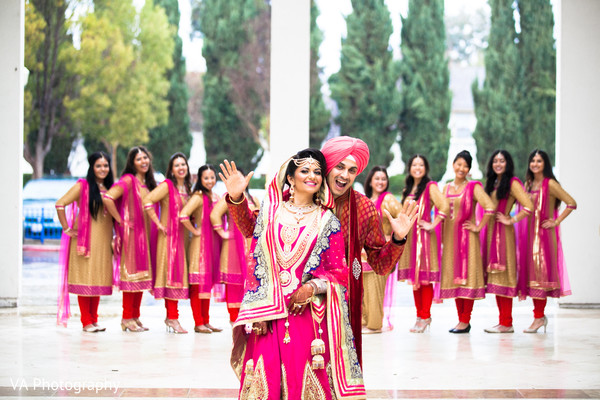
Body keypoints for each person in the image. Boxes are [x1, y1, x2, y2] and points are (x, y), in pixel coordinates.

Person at [220, 136, 417, 365]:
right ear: (329, 167)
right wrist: (236, 198)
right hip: (292, 299)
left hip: (341, 298)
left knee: (338, 366)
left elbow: (381, 265)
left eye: (352, 170)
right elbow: (254, 230)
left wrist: (398, 239)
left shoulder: (363, 208)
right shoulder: (294, 198)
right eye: (340, 167)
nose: (345, 175)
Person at [223, 149, 366, 400]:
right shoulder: (270, 213)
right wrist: (237, 198)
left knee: (302, 383)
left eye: (318, 172)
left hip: (306, 317)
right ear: (290, 177)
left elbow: (339, 274)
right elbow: (252, 241)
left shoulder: (327, 221)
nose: (312, 176)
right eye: (305, 170)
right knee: (265, 384)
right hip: (268, 314)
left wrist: (311, 289)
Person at [518, 149, 576, 333]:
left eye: (539, 161)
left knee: (540, 278)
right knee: (532, 277)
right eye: (532, 160)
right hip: (529, 237)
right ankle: (539, 317)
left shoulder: (549, 184)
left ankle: (538, 318)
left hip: (543, 238)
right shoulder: (528, 184)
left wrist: (556, 221)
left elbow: (571, 203)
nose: (535, 164)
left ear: (545, 164)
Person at [55, 152, 115, 332]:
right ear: (92, 167)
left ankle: (94, 319)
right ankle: (86, 321)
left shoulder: (111, 187)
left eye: (105, 165)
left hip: (103, 240)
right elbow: (60, 204)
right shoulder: (83, 186)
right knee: (86, 278)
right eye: (98, 166)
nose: (102, 169)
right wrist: (66, 228)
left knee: (97, 278)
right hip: (85, 240)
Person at [103, 146, 157, 332]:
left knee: (141, 277)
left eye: (145, 158)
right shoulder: (128, 180)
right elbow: (108, 198)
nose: (143, 162)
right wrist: (121, 220)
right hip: (132, 234)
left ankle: (135, 316)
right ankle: (126, 317)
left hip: (146, 234)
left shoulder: (149, 183)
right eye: (139, 159)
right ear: (132, 163)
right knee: (131, 275)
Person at [440, 150, 495, 333]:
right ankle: (461, 320)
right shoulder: (446, 188)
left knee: (467, 278)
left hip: (468, 240)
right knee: (456, 280)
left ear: (469, 169)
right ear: (453, 165)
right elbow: (440, 212)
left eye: (465, 165)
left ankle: (465, 320)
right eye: (459, 164)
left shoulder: (474, 187)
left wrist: (478, 227)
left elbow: (489, 207)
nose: (461, 168)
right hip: (450, 240)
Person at [481, 150, 533, 333]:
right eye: (495, 161)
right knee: (496, 279)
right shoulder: (493, 183)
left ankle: (507, 322)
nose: (498, 164)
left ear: (508, 163)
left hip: (503, 234)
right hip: (490, 233)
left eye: (502, 161)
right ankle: (503, 321)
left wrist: (511, 219)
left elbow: (528, 206)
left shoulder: (513, 182)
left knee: (504, 276)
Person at [397, 155, 449, 333]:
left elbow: (445, 206)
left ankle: (425, 316)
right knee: (415, 280)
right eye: (414, 164)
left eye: (421, 164)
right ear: (409, 168)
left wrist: (432, 224)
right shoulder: (409, 188)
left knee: (425, 279)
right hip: (410, 239)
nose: (417, 167)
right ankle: (419, 315)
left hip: (424, 239)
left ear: (426, 168)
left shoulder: (430, 187)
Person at [143, 152, 191, 334]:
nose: (181, 168)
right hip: (169, 239)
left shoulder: (187, 188)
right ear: (171, 169)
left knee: (178, 277)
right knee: (172, 278)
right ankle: (172, 318)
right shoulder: (167, 186)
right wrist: (158, 223)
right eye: (177, 165)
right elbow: (147, 201)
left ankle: (172, 317)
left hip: (183, 238)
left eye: (183, 165)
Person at [209, 169, 259, 325]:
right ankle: (234, 320)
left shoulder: (254, 198)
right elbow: (214, 215)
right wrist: (222, 233)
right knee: (234, 282)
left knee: (250, 280)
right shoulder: (227, 198)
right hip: (233, 245)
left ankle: (249, 317)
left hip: (251, 245)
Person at [179, 164, 223, 333]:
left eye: (212, 177)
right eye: (206, 178)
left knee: (207, 285)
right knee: (198, 285)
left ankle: (206, 321)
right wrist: (195, 230)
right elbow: (183, 215)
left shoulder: (215, 196)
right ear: (199, 179)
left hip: (212, 244)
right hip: (199, 246)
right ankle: (198, 322)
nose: (210, 181)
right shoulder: (198, 196)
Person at [361, 165, 402, 334]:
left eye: (383, 179)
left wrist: (389, 238)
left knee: (375, 290)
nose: (380, 182)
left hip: (379, 253)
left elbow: (402, 220)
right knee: (363, 290)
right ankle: (365, 320)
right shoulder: (366, 200)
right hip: (363, 253)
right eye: (377, 178)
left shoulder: (388, 199)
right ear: (370, 180)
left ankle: (375, 325)